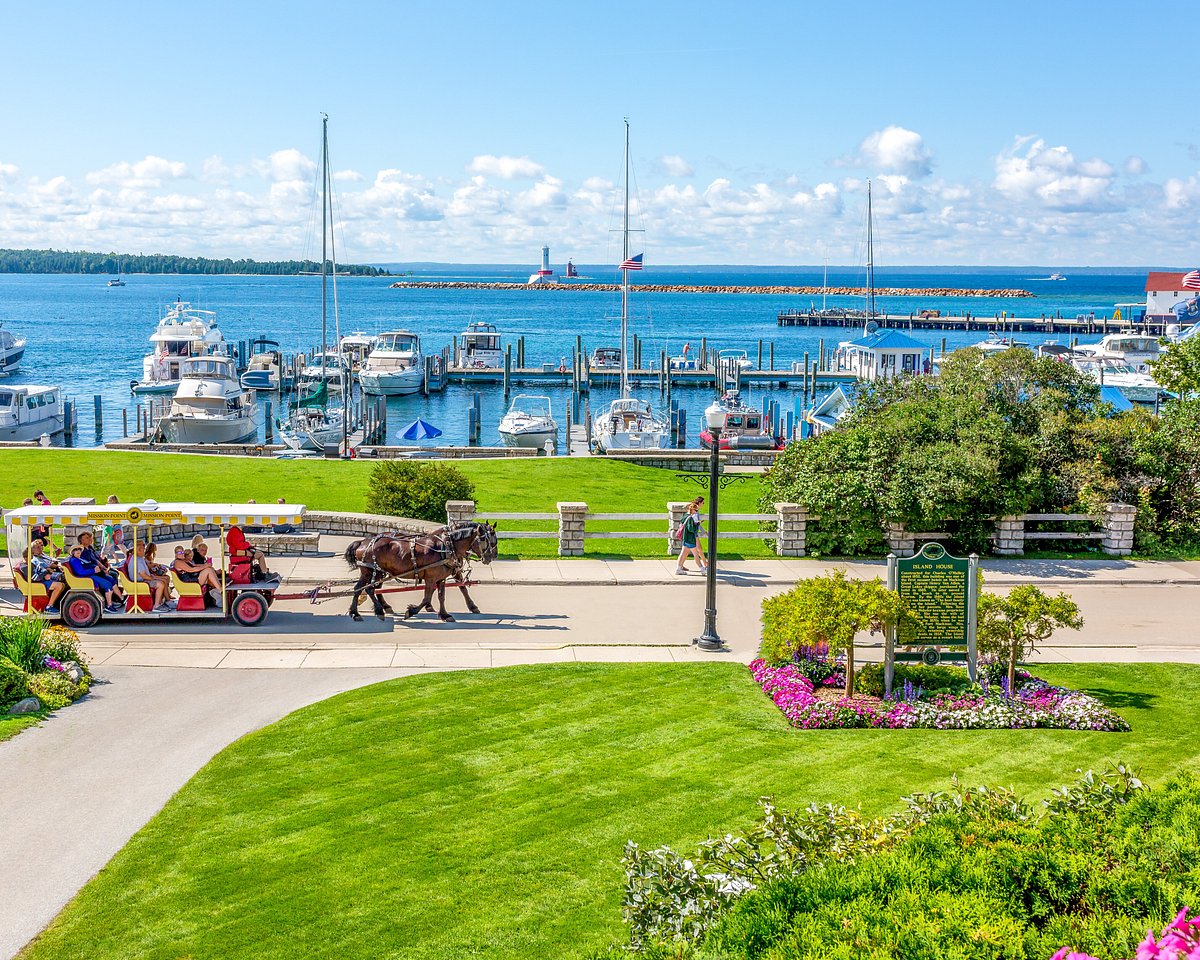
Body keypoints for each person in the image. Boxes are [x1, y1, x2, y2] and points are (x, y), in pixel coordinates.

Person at [66, 546, 123, 613]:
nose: (79, 552)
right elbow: (80, 572)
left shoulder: (80, 559)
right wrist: (93, 570)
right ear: (73, 553)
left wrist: (98, 568)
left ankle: (121, 599)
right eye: (76, 551)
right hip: (86, 577)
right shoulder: (74, 560)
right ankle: (109, 605)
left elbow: (89, 565)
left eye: (79, 551)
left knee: (111, 580)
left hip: (92, 574)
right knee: (108, 585)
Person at [23, 540, 67, 613]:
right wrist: (46, 573)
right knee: (59, 585)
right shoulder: (28, 565)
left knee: (62, 583)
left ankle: (57, 603)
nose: (41, 548)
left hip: (42, 579)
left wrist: (46, 572)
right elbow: (35, 576)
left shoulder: (33, 561)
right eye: (31, 554)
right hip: (39, 582)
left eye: (41, 546)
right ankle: (49, 607)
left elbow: (40, 570)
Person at [129, 541, 171, 611]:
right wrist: (152, 578)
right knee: (160, 584)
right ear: (138, 550)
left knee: (164, 579)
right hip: (140, 581)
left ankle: (165, 600)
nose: (145, 550)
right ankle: (156, 606)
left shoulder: (139, 558)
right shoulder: (137, 560)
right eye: (143, 549)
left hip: (143, 579)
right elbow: (143, 575)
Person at [675, 497, 707, 575]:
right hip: (690, 539)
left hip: (685, 538)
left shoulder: (687, 515)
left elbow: (682, 522)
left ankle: (678, 568)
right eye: (696, 510)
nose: (697, 512)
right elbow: (691, 529)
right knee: (696, 554)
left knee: (683, 554)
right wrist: (698, 524)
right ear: (693, 510)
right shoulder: (692, 517)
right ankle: (702, 569)